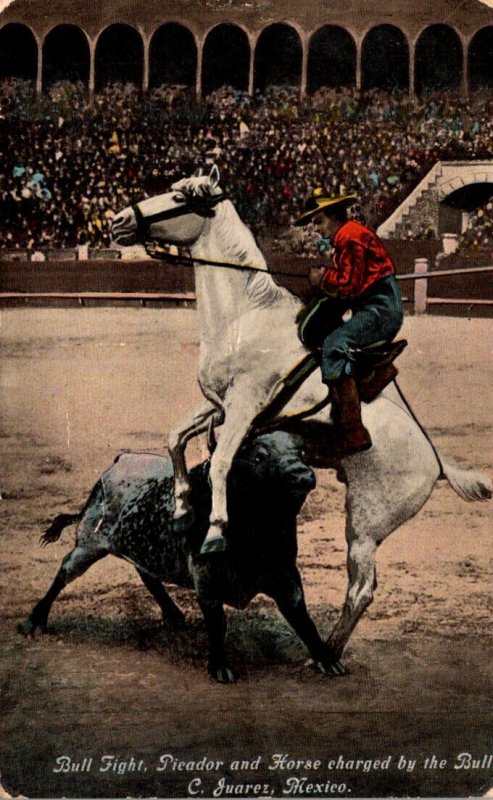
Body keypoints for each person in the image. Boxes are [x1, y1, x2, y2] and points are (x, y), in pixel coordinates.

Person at [294, 187, 404, 454]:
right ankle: (366, 379)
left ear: (334, 215)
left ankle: (353, 432)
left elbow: (349, 286)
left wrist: (323, 279)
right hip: (372, 307)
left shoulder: (350, 238)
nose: (316, 228)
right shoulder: (347, 236)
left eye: (319, 221)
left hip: (380, 311)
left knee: (334, 344)